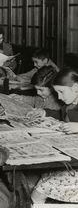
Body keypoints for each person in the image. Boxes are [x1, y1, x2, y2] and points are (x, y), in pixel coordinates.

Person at [31, 68, 78, 204]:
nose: (59, 97)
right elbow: (62, 115)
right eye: (57, 93)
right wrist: (45, 113)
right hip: (73, 161)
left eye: (61, 92)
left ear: (75, 87)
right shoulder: (69, 105)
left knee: (40, 189)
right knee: (45, 177)